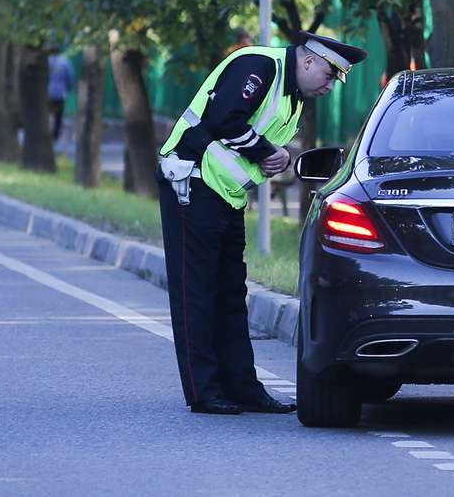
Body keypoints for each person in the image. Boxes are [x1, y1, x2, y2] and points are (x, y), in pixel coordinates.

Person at [157, 31, 367, 415]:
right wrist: (268, 151)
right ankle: (204, 391)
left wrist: (281, 155)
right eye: (329, 74)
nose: (330, 85)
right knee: (196, 294)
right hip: (192, 184)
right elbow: (225, 118)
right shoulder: (260, 66)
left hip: (225, 193)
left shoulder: (293, 100)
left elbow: (264, 147)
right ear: (307, 61)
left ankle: (244, 387)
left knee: (232, 294)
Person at [47, 54, 75, 142]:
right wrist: (68, 89)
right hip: (60, 93)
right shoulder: (65, 62)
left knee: (47, 113)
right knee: (58, 115)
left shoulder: (46, 62)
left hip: (47, 92)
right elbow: (70, 78)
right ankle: (55, 136)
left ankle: (46, 133)